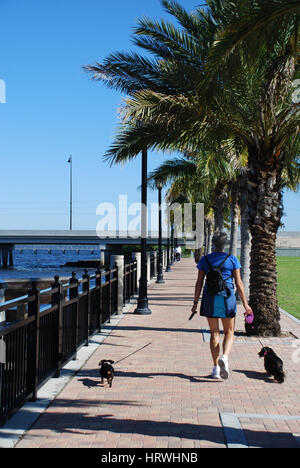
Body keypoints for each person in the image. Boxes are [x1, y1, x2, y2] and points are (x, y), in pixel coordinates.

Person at [191, 231, 253, 380]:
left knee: (214, 333)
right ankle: (224, 357)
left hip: (210, 299)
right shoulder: (232, 260)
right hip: (227, 299)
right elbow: (238, 283)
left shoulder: (205, 260)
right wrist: (246, 305)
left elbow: (199, 282)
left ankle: (215, 369)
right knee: (229, 331)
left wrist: (195, 303)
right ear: (225, 245)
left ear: (212, 243)